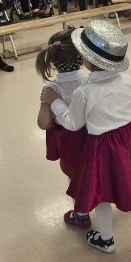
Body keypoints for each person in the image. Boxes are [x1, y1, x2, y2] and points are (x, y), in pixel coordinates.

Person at [42, 20, 131, 253]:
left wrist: (54, 102)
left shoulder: (85, 92)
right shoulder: (127, 80)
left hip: (104, 144)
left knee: (102, 190)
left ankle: (106, 240)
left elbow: (73, 123)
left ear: (86, 60)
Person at [36, 28, 87, 181]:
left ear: (52, 60)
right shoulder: (90, 81)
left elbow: (44, 124)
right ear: (82, 58)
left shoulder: (51, 89)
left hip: (69, 141)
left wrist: (48, 102)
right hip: (93, 136)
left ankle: (79, 204)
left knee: (74, 176)